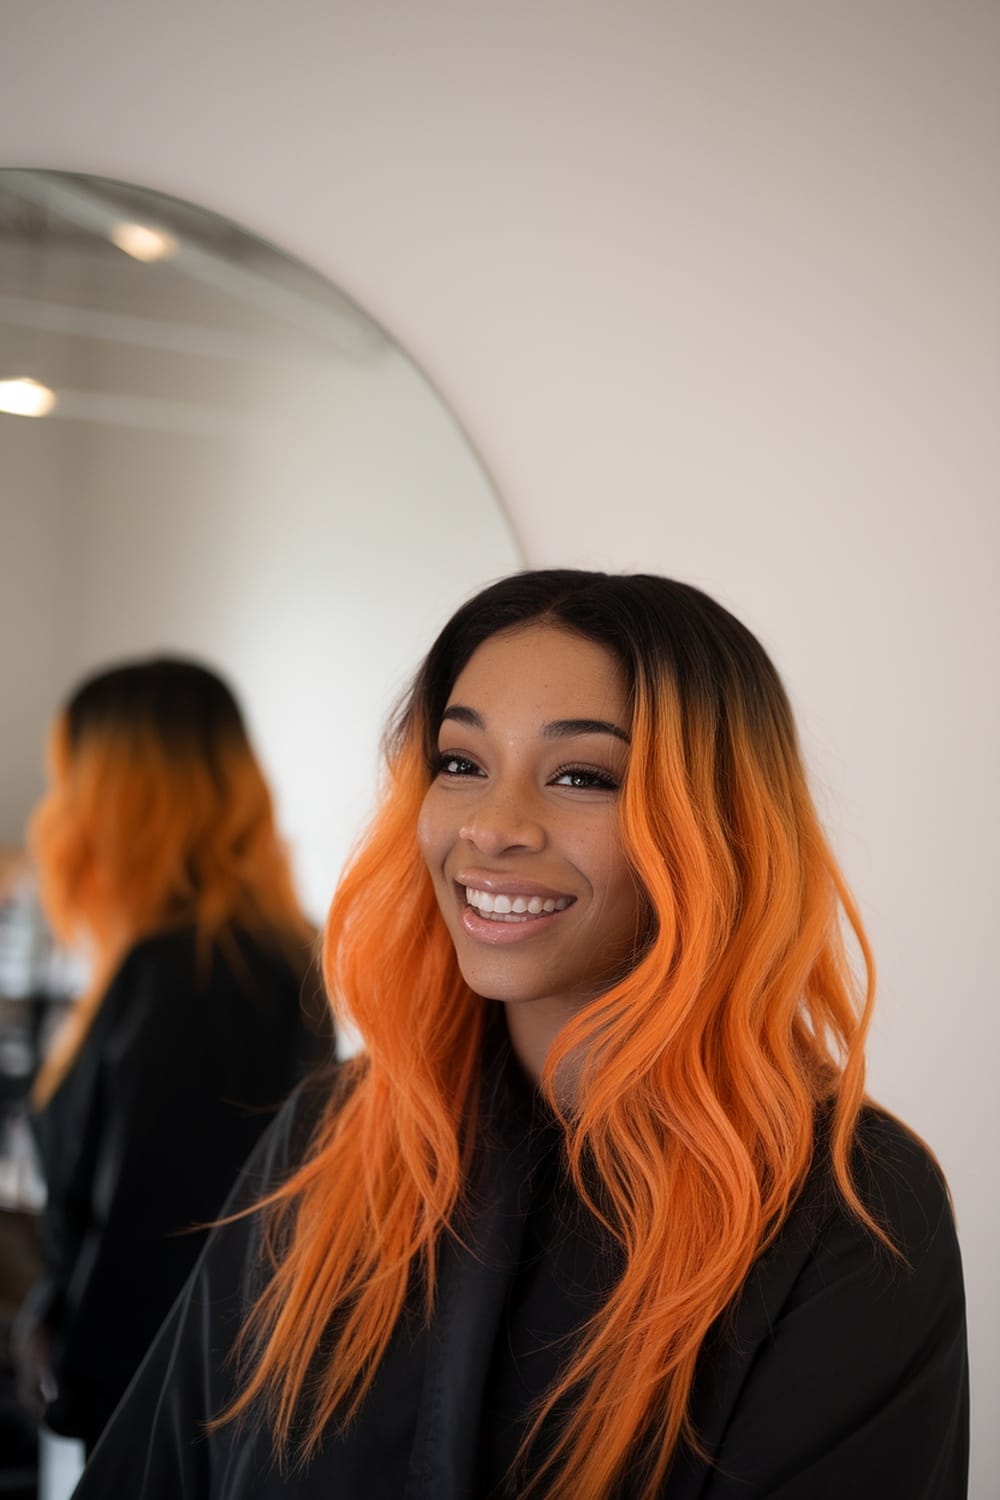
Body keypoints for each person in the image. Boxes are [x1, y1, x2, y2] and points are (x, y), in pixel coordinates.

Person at [71, 574, 967, 1498]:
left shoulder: (854, 1212)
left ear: (721, 828)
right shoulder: (331, 1138)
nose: (492, 828)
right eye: (460, 764)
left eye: (583, 776)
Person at [13, 657, 331, 1453]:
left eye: (70, 780)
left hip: (159, 1411)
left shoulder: (199, 977)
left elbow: (154, 1238)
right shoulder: (242, 956)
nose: (56, 813)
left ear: (120, 799)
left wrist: (73, 1392)